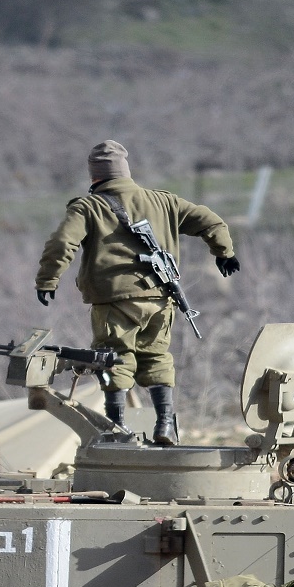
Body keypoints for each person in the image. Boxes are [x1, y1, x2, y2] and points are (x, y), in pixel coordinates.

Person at [35, 140, 240, 445]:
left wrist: (47, 280)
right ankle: (165, 424)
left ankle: (117, 427)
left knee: (113, 359)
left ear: (94, 175)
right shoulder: (163, 201)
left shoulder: (88, 207)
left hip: (114, 301)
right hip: (160, 299)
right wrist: (224, 252)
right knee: (157, 357)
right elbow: (210, 220)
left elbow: (62, 243)